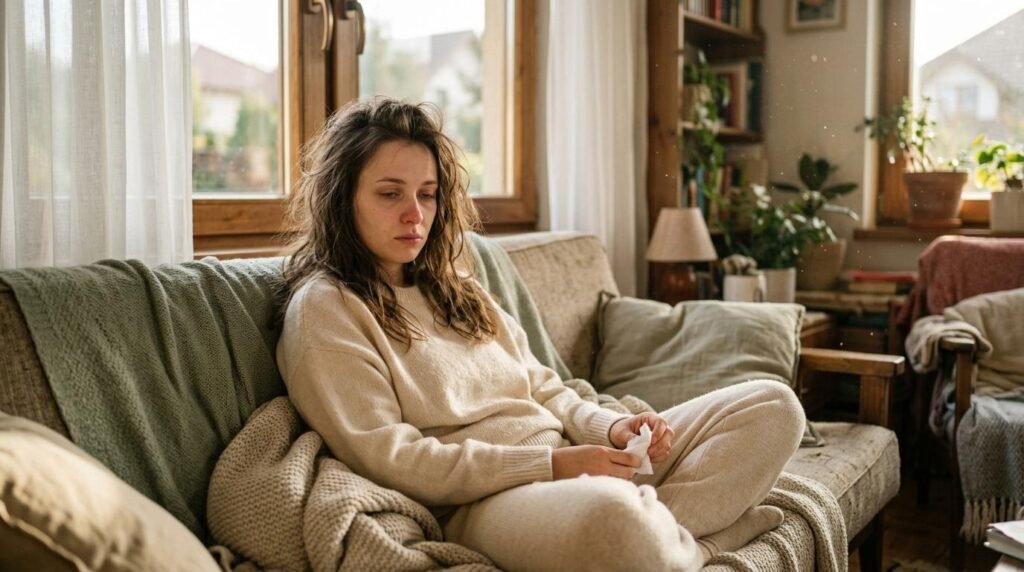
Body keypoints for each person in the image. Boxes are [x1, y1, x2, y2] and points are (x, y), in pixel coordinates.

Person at [277, 98, 806, 571]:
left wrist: (612, 429)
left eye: (428, 194)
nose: (415, 215)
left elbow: (544, 387)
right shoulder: (327, 309)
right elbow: (391, 458)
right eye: (390, 193)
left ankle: (661, 535)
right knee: (615, 523)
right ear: (343, 198)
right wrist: (552, 466)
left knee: (774, 405)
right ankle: (701, 547)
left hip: (574, 458)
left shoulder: (455, 284)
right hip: (487, 500)